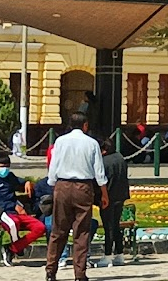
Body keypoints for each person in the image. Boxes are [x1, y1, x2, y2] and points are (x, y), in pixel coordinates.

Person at [46, 112, 109, 281]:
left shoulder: (60, 141)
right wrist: (104, 193)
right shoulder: (92, 143)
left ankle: (50, 270)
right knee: (81, 232)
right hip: (83, 187)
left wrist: (53, 185)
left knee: (58, 230)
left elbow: (54, 166)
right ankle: (80, 274)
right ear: (85, 125)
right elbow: (99, 171)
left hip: (63, 186)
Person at [0, 154, 45, 266]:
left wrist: (27, 183)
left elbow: (21, 182)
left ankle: (12, 249)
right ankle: (17, 248)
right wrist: (11, 206)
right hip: (3, 213)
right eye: (2, 166)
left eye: (7, 166)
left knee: (40, 227)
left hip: (19, 212)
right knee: (13, 223)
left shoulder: (11, 177)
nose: (5, 169)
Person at [33, 176, 98, 271]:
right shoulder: (42, 184)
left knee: (91, 224)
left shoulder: (75, 183)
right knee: (51, 226)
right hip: (52, 212)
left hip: (73, 213)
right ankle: (60, 258)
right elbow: (36, 205)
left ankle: (84, 257)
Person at [97, 138, 130, 267]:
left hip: (108, 197)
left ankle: (107, 255)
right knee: (116, 225)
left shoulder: (104, 162)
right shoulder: (120, 158)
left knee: (108, 227)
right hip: (120, 196)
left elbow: (101, 181)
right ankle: (119, 254)